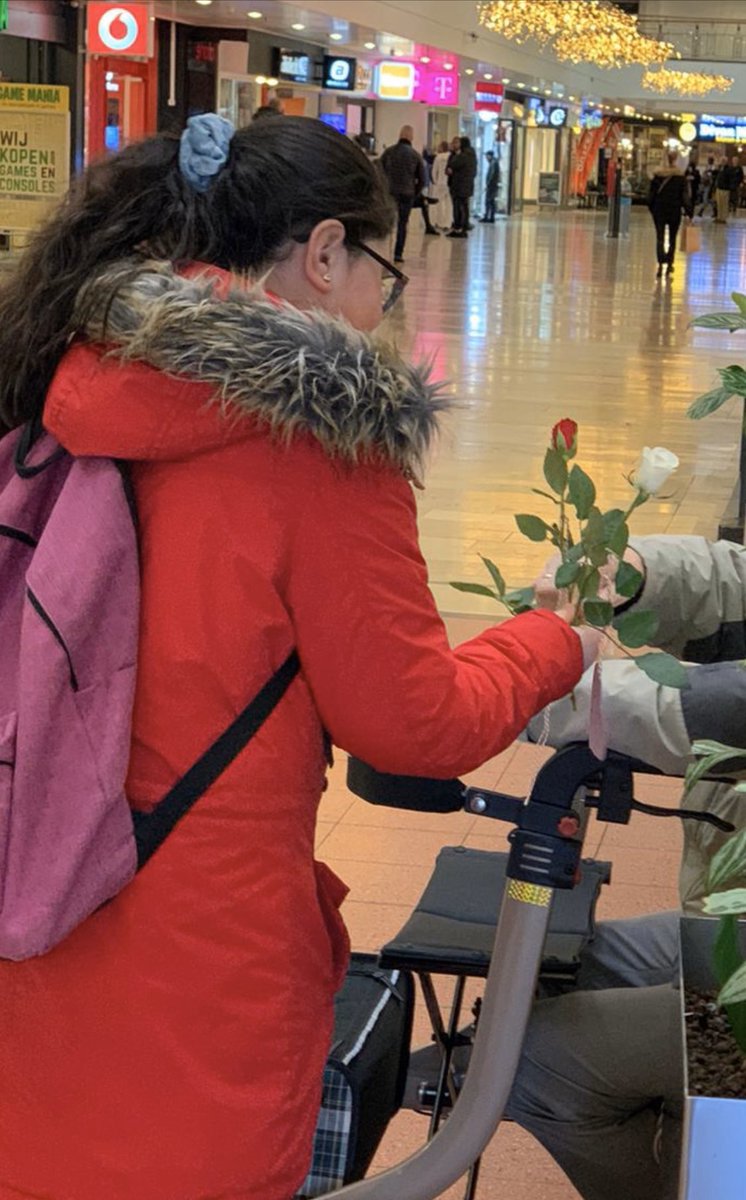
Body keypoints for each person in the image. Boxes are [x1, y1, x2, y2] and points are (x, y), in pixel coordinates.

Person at [0, 114, 597, 1200]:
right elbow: (412, 724)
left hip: (30, 895)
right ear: (320, 254)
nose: (383, 306)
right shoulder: (317, 437)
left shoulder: (64, 371)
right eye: (381, 270)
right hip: (192, 953)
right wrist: (551, 642)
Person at [506, 530, 746, 1200]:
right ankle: (685, 1122)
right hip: (729, 927)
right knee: (545, 969)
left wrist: (537, 694)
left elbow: (727, 703)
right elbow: (732, 584)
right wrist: (636, 572)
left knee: (533, 1060)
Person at [379, 123, 426, 262]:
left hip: (390, 192)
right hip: (407, 193)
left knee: (387, 223)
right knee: (402, 224)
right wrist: (414, 192)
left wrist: (383, 189)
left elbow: (379, 171)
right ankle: (398, 254)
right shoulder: (415, 155)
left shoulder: (389, 152)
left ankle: (383, 251)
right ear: (411, 137)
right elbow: (422, 179)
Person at [648, 151, 688, 278]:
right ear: (675, 160)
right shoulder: (680, 177)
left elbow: (650, 196)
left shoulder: (657, 175)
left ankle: (660, 265)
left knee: (659, 237)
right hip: (674, 210)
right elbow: (685, 196)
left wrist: (652, 208)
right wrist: (689, 211)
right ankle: (670, 264)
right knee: (672, 238)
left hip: (659, 210)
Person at [447, 135, 478, 238]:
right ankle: (464, 227)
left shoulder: (463, 155)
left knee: (457, 207)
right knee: (465, 207)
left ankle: (457, 228)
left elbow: (452, 165)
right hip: (468, 186)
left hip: (458, 186)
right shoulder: (472, 156)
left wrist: (452, 154)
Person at [430, 139, 453, 231]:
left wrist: (435, 181)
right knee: (448, 204)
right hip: (449, 183)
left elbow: (434, 171)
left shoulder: (438, 157)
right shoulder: (451, 157)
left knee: (438, 203)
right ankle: (447, 223)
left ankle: (438, 222)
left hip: (440, 183)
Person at [480, 150, 500, 223]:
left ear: (490, 156)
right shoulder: (494, 162)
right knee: (491, 201)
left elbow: (492, 174)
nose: (486, 158)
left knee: (489, 201)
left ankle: (488, 217)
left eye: (487, 156)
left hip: (492, 185)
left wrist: (488, 184)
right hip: (492, 185)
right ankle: (490, 217)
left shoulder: (493, 163)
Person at [715, 154, 732, 223]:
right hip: (719, 188)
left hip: (725, 189)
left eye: (724, 161)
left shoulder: (728, 169)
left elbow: (729, 178)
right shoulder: (719, 168)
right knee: (719, 204)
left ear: (726, 161)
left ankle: (723, 218)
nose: (722, 162)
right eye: (721, 160)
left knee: (724, 204)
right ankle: (719, 217)